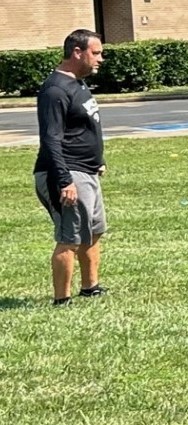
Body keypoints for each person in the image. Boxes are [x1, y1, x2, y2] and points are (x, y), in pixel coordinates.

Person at [34, 30, 108, 306]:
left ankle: (91, 288)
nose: (100, 58)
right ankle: (61, 300)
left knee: (94, 230)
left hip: (86, 171)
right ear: (77, 52)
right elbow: (51, 139)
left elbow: (81, 130)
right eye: (96, 53)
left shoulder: (77, 83)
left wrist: (96, 160)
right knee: (71, 237)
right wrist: (64, 180)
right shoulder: (55, 90)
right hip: (65, 173)